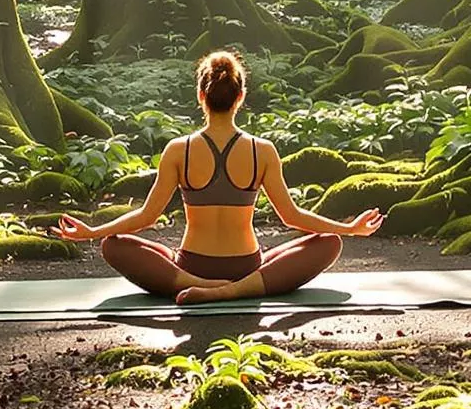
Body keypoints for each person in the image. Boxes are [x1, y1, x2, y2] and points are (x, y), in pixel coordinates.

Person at [56, 49, 383, 303]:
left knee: (113, 246)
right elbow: (292, 216)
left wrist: (93, 232)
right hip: (248, 267)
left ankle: (200, 286)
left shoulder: (177, 149)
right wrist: (348, 228)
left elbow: (147, 216)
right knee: (330, 243)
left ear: (201, 95)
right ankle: (236, 290)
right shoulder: (263, 150)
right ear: (240, 97)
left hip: (191, 266)